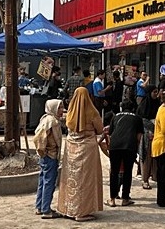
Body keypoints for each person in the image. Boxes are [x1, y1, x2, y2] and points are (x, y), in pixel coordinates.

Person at [56, 87, 103, 222]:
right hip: (88, 148)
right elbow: (100, 129)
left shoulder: (71, 111)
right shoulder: (92, 111)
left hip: (71, 147)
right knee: (86, 179)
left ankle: (67, 208)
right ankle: (81, 212)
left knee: (71, 177)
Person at [107, 99, 144, 207]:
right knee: (128, 172)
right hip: (129, 146)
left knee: (114, 172)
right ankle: (125, 198)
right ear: (133, 108)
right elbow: (139, 137)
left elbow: (110, 134)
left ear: (121, 107)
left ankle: (112, 199)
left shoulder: (115, 117)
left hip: (115, 146)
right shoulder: (137, 118)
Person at [33, 99, 64, 219]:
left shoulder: (45, 119)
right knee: (49, 183)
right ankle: (46, 210)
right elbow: (41, 138)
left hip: (45, 156)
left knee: (43, 180)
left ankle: (40, 206)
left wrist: (42, 152)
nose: (62, 110)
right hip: (50, 156)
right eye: (59, 107)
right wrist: (46, 150)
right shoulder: (53, 122)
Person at [136, 84, 160, 190]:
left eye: (156, 91)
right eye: (154, 92)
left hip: (157, 135)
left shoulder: (157, 104)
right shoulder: (144, 105)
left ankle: (154, 176)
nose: (156, 94)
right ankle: (145, 180)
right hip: (146, 135)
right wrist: (152, 127)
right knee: (146, 158)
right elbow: (141, 120)